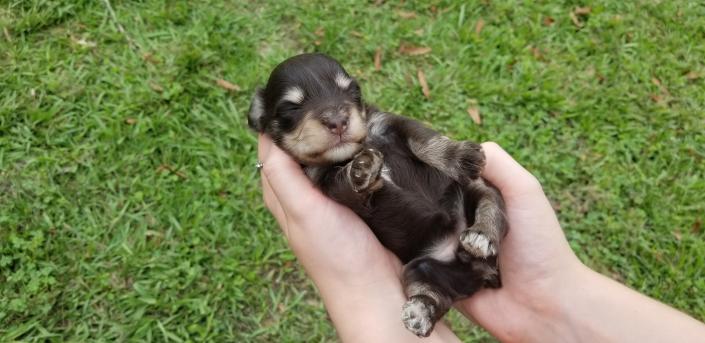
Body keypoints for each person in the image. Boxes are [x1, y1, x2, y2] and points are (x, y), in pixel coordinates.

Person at [256, 134, 705, 342]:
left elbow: (420, 139)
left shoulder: (381, 123)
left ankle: (484, 237)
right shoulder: (329, 169)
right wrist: (558, 298)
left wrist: (362, 294)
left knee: (485, 197)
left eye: (344, 94)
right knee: (424, 275)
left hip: (463, 213)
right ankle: (428, 301)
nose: (335, 118)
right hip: (431, 255)